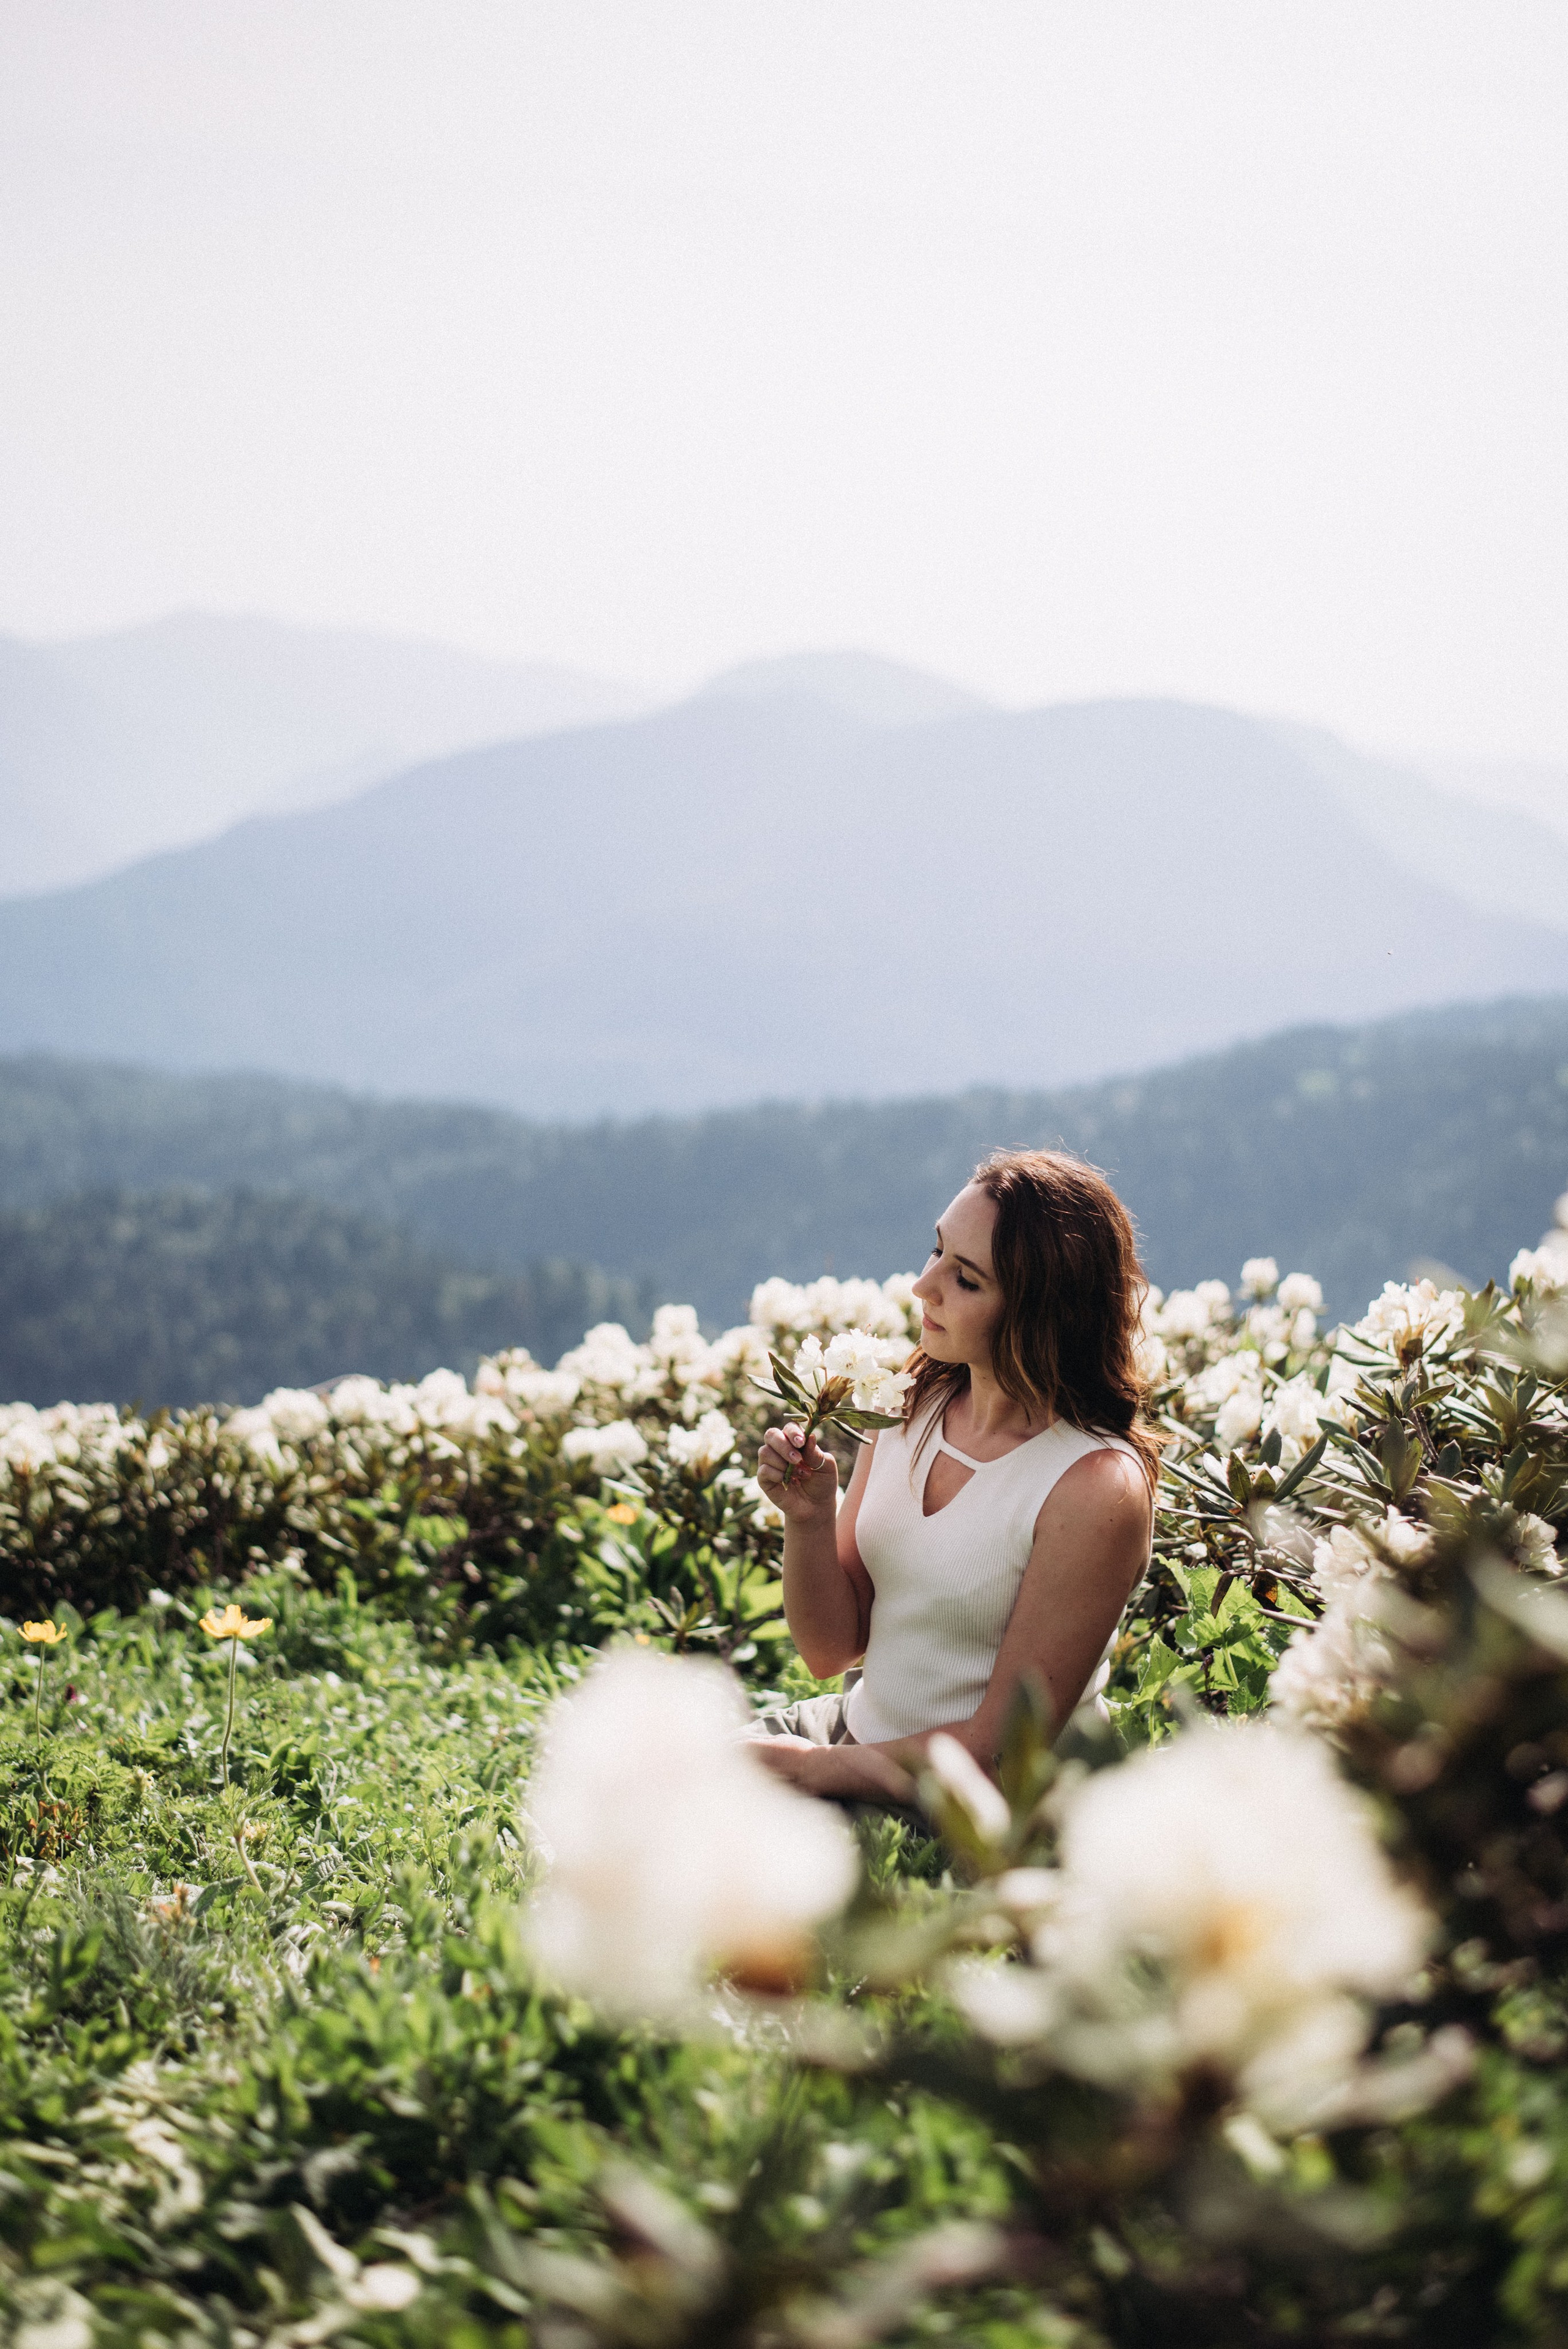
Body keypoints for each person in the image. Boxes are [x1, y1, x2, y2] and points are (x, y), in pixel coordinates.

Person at [749, 1148, 1158, 1809]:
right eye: (935, 1252)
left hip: (986, 1809)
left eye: (965, 1280)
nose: (923, 1286)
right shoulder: (906, 1404)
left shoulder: (1093, 1486)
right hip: (856, 1739)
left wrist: (803, 1771)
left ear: (1040, 1313)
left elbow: (1001, 1755)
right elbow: (831, 1648)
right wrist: (809, 1520)